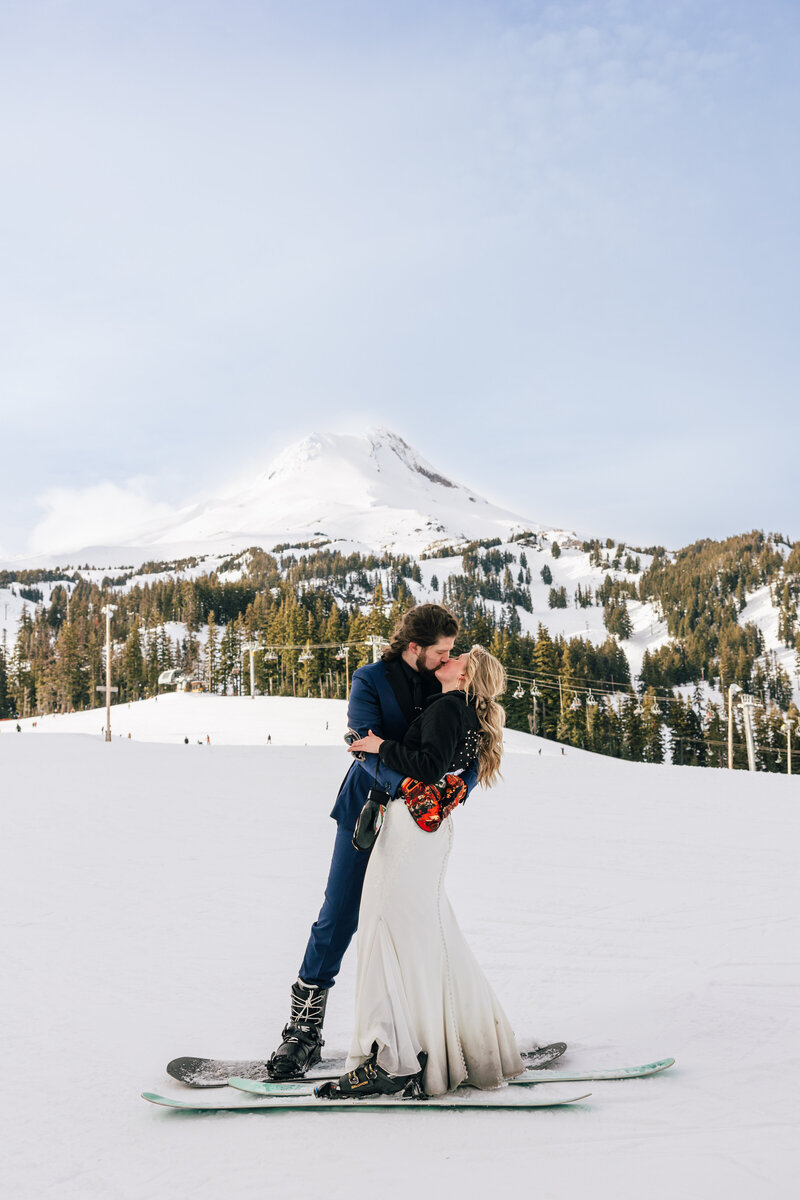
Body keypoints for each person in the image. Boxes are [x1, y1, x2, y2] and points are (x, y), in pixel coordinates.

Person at [267, 604, 478, 1079]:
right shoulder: (369, 681)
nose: (449, 656)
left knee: (416, 919)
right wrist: (406, 786)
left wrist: (464, 784)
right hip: (370, 810)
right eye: (440, 650)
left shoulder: (448, 678)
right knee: (339, 915)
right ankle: (302, 1032)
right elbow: (361, 746)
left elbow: (472, 740)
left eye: (451, 650)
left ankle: (430, 1028)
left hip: (422, 823)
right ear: (414, 647)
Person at [320, 644, 523, 1098]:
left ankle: (391, 1057)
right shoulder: (462, 710)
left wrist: (379, 746)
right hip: (426, 832)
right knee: (428, 934)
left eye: (456, 660)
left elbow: (429, 768)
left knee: (380, 929)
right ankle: (452, 1043)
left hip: (410, 832)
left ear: (465, 677)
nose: (444, 661)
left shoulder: (450, 707)